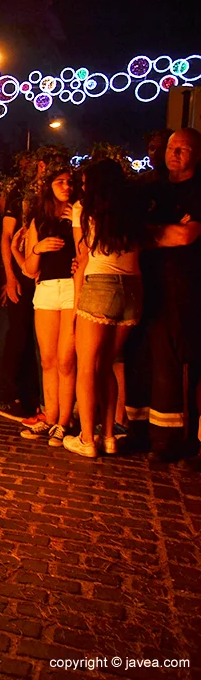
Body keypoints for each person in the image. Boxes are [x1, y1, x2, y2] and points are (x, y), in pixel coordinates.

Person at [63, 159, 145, 458]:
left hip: (100, 284)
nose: (81, 187)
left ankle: (87, 439)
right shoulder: (134, 209)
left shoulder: (84, 210)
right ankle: (109, 436)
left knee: (86, 366)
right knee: (108, 365)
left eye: (85, 182)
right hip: (134, 288)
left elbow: (82, 256)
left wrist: (75, 305)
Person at [138, 128, 201, 462]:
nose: (174, 153)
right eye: (171, 147)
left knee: (173, 359)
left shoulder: (197, 190)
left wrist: (148, 235)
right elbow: (129, 231)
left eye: (184, 149)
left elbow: (186, 236)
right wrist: (160, 233)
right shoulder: (151, 187)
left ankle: (170, 438)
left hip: (183, 286)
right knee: (142, 356)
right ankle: (138, 427)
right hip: (145, 281)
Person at [21, 165, 78, 447]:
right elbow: (30, 269)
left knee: (67, 360)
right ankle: (51, 416)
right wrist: (37, 248)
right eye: (60, 182)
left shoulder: (80, 214)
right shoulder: (39, 220)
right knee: (48, 359)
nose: (66, 186)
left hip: (71, 287)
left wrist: (78, 218)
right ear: (49, 187)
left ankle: (64, 422)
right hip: (45, 288)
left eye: (69, 181)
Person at [0, 157, 45, 422]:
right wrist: (11, 277)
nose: (43, 170)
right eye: (41, 165)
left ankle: (32, 397)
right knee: (18, 335)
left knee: (37, 338)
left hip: (45, 275)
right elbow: (6, 237)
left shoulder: (52, 199)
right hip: (22, 274)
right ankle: (9, 395)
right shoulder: (20, 198)